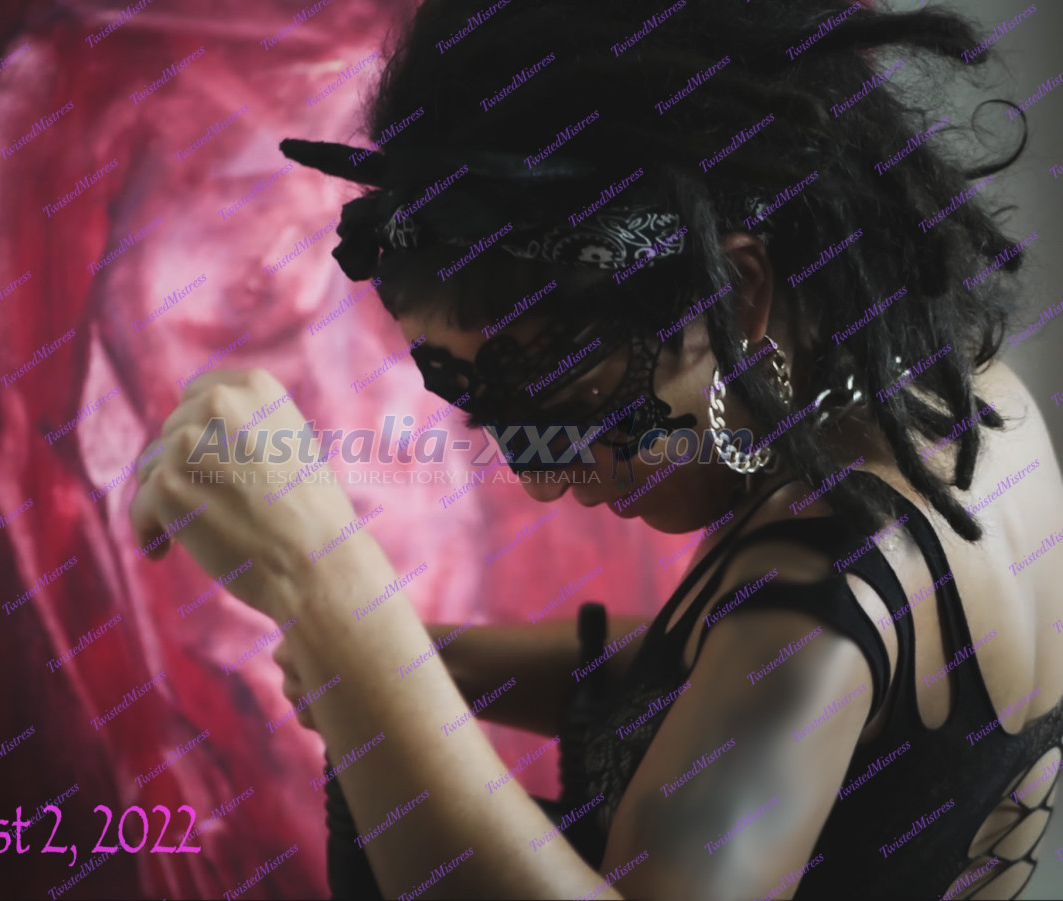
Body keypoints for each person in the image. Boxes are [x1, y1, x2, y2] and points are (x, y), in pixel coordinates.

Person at [132, 0, 1063, 897]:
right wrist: (422, 663)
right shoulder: (969, 407)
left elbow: (780, 647)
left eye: (572, 399)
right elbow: (723, 682)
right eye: (489, 411)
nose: (543, 478)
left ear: (736, 290)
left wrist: (326, 589)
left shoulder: (822, 592)